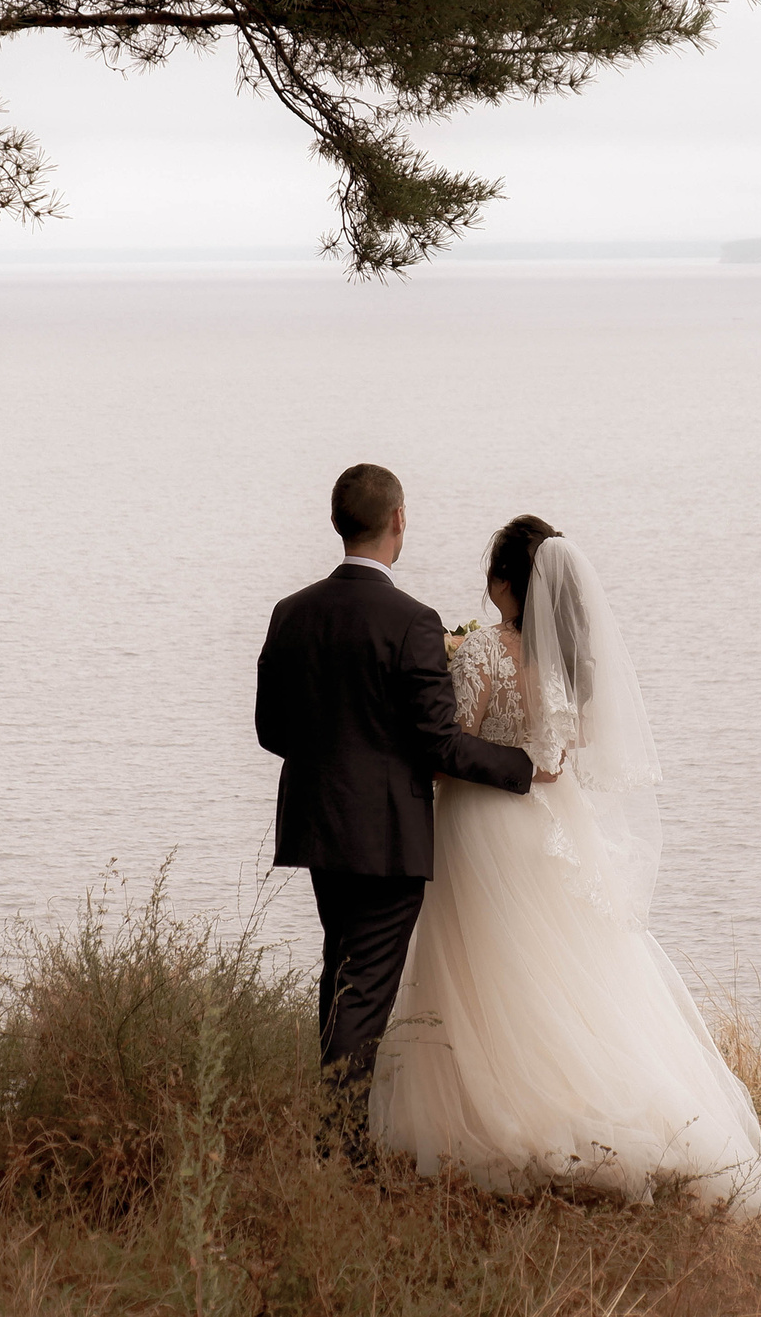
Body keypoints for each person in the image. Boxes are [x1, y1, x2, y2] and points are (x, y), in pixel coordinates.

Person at [370, 516, 761, 1217]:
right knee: (560, 966)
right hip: (552, 824)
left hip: (479, 822)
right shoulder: (567, 664)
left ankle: (495, 1108)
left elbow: (450, 745)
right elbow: (562, 755)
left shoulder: (480, 656)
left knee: (483, 967)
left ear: (502, 582)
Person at [253, 464, 535, 1155]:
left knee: (342, 971)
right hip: (387, 834)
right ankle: (340, 1154)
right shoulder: (413, 622)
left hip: (319, 827)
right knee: (366, 990)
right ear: (399, 520)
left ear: (337, 521)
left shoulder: (291, 611)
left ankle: (335, 1138)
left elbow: (271, 730)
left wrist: (330, 758)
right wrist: (524, 765)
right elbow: (440, 741)